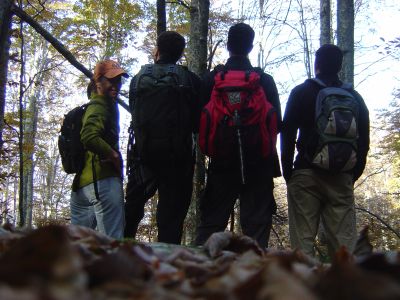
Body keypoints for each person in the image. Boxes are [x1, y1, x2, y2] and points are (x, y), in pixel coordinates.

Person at [195, 23, 282, 249]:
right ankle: (254, 277)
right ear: (251, 47)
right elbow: (277, 123)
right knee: (256, 229)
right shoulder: (264, 80)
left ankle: (199, 274)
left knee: (211, 225)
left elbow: (199, 121)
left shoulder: (212, 79)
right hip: (259, 164)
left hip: (221, 163)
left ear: (227, 45)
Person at [280, 44, 370, 257]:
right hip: (341, 177)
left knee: (302, 246)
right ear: (339, 67)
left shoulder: (301, 92)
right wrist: (353, 173)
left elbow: (287, 134)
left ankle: (304, 287)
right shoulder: (354, 97)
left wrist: (289, 172)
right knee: (344, 247)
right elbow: (364, 141)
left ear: (317, 64)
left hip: (305, 173)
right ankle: (344, 287)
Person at [124, 31, 201, 244]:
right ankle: (167, 265)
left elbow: (134, 111)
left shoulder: (139, 78)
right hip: (178, 159)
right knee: (171, 219)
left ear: (157, 50)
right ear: (181, 53)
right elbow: (197, 122)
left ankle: (121, 254)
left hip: (143, 156)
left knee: (131, 211)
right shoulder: (190, 79)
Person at [70, 59, 127, 239]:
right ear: (98, 82)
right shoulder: (99, 106)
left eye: (118, 81)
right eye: (111, 80)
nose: (115, 85)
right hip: (102, 182)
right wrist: (113, 155)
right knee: (112, 243)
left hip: (82, 186)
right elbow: (89, 136)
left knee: (79, 246)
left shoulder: (97, 105)